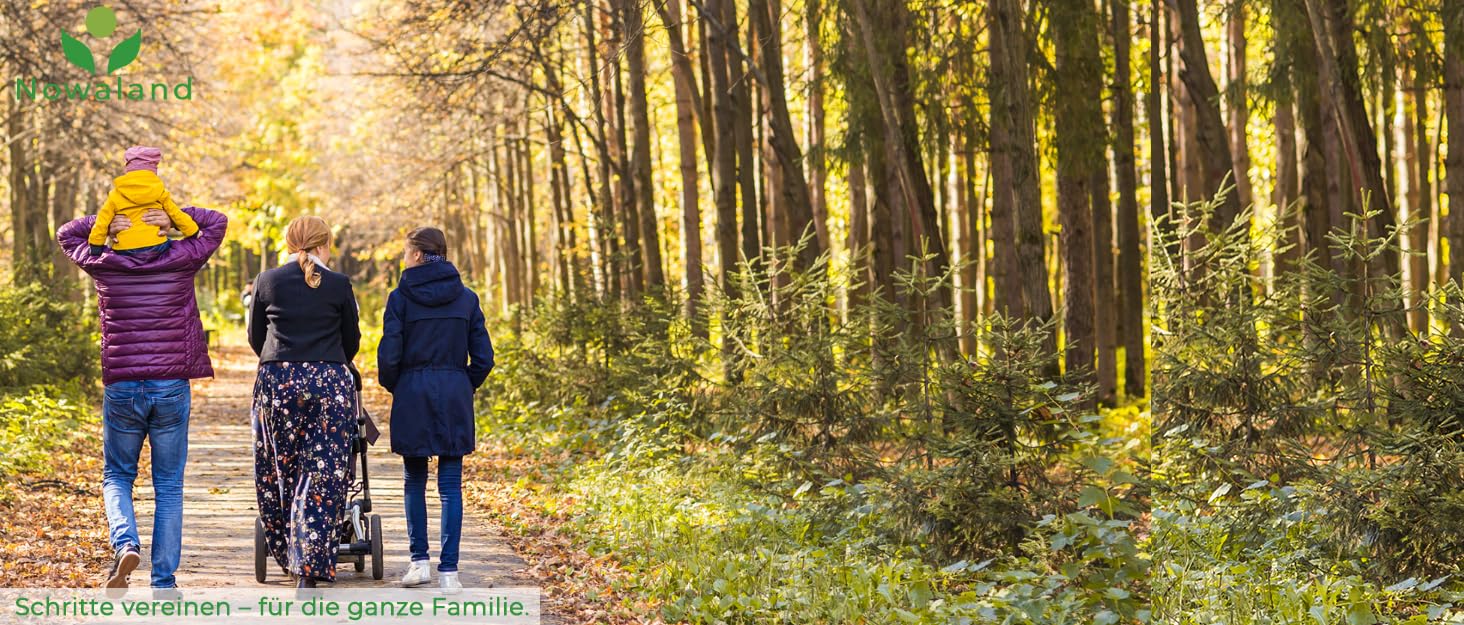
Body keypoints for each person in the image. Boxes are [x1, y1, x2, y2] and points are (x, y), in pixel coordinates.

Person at [56, 204, 229, 591]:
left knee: (117, 475)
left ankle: (126, 543)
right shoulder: (182, 257)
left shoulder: (104, 261)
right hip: (170, 385)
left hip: (123, 386)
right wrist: (171, 215)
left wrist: (105, 222)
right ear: (158, 229)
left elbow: (67, 233)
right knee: (168, 485)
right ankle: (163, 582)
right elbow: (216, 222)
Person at [248, 216, 362, 589]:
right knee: (322, 473)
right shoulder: (339, 284)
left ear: (288, 243)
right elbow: (352, 340)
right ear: (324, 244)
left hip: (278, 382)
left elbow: (256, 337)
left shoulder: (266, 281)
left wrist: (283, 362)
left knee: (279, 470)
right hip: (329, 383)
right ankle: (311, 564)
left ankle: (287, 552)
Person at [377, 227, 493, 593]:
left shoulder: (400, 299)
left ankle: (419, 563)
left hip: (412, 392)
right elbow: (484, 358)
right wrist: (463, 383)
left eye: (405, 252)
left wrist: (398, 385)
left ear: (416, 255)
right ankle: (449, 573)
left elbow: (389, 355)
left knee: (414, 480)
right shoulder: (467, 299)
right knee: (450, 485)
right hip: (454, 393)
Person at [87, 147, 198, 255]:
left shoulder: (115, 194)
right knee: (173, 244)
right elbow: (176, 214)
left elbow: (102, 221)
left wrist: (96, 245)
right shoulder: (160, 192)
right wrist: (193, 231)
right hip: (156, 245)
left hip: (124, 248)